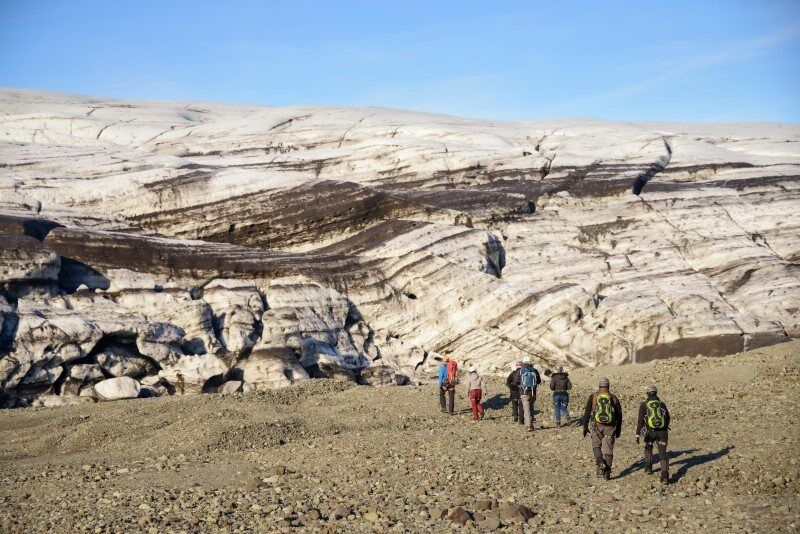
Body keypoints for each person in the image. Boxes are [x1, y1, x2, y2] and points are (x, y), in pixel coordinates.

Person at [582, 377, 622, 480]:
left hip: (597, 426)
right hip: (610, 427)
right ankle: (607, 473)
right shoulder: (613, 397)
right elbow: (619, 415)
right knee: (608, 449)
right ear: (608, 386)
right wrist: (618, 430)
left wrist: (585, 428)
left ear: (599, 386)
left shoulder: (593, 397)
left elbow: (586, 413)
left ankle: (600, 462)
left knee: (596, 445)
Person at [636, 384, 671, 484]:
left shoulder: (644, 405)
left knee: (648, 447)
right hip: (663, 432)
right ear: (656, 393)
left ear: (647, 394)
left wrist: (637, 434)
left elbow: (640, 421)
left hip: (650, 432)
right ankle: (664, 476)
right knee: (662, 453)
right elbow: (667, 418)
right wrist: (663, 427)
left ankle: (648, 468)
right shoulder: (662, 404)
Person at [519, 356, 541, 431]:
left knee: (526, 409)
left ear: (523, 362)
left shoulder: (522, 370)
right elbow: (539, 381)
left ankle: (528, 426)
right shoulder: (534, 370)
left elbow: (516, 380)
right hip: (532, 392)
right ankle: (531, 424)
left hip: (524, 392)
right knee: (531, 408)